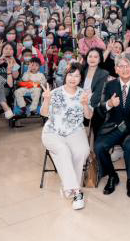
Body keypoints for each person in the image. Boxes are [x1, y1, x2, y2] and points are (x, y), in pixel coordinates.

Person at [40, 63, 93, 210]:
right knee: (63, 150)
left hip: (75, 131)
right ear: (65, 76)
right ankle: (76, 192)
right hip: (53, 132)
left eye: (77, 76)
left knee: (82, 151)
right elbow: (44, 114)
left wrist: (85, 104)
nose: (73, 78)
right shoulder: (55, 92)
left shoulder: (83, 94)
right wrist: (46, 99)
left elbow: (88, 116)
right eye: (70, 74)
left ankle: (68, 184)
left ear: (81, 78)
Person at [95, 56, 130, 198]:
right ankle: (112, 176)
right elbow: (100, 110)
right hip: (114, 127)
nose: (125, 69)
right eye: (121, 66)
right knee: (99, 147)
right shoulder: (109, 85)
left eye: (128, 66)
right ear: (116, 69)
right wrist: (109, 104)